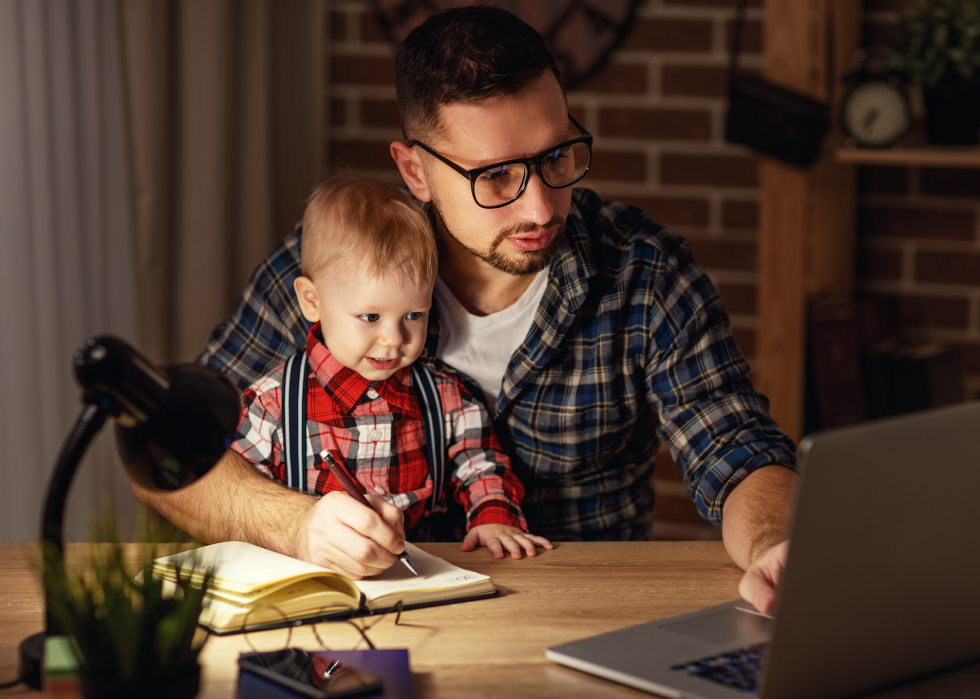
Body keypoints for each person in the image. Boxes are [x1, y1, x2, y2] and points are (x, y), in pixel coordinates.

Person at [136, 6, 797, 615]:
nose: (541, 208)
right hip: (359, 626)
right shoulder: (330, 274)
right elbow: (171, 457)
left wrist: (775, 542)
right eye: (497, 176)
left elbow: (735, 447)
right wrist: (296, 524)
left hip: (580, 620)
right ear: (416, 171)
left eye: (557, 155)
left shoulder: (642, 273)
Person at [229, 176, 551, 571]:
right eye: (370, 317)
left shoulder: (444, 397)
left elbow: (481, 462)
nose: (393, 338)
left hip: (425, 577)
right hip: (315, 581)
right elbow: (242, 496)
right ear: (312, 301)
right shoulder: (273, 403)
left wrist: (493, 517)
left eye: (413, 315)